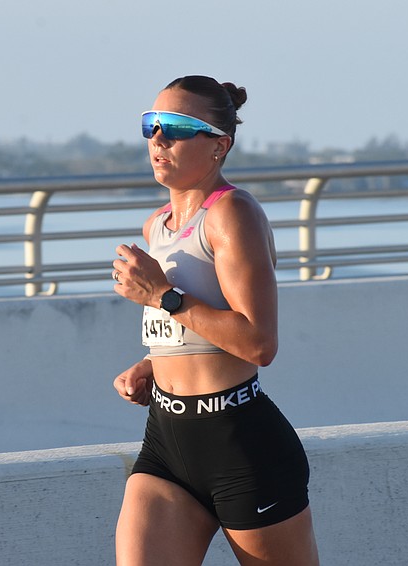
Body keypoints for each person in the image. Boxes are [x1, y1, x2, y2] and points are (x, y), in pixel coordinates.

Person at [111, 75, 320, 566]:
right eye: (152, 124)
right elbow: (193, 326)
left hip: (240, 444)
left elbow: (258, 343)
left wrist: (162, 294)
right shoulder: (155, 226)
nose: (158, 139)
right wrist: (150, 363)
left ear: (219, 146)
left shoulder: (233, 214)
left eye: (178, 127)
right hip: (166, 439)